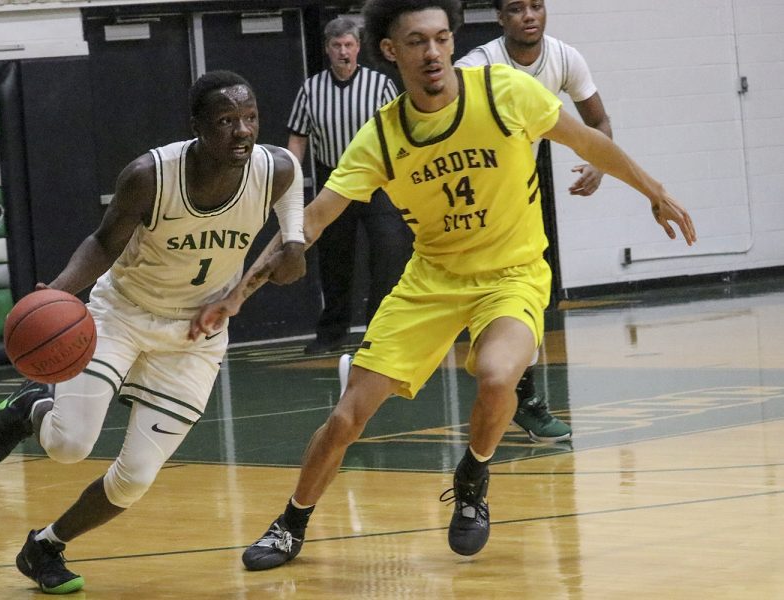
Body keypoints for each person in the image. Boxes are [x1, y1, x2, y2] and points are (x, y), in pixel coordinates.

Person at [190, 0, 695, 571]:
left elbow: (588, 141)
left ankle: (474, 472)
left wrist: (654, 190)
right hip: (432, 279)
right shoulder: (382, 136)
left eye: (439, 39)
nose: (431, 52)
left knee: (499, 373)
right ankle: (291, 524)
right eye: (415, 42)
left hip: (512, 274)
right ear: (389, 52)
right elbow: (311, 218)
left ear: (452, 41)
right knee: (347, 416)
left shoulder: (504, 93)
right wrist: (238, 292)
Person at [0, 70, 306, 594]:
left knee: (133, 480)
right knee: (68, 445)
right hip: (122, 315)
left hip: (194, 337)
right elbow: (104, 244)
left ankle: (45, 546)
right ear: (196, 126)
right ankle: (31, 409)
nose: (242, 130)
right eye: (226, 121)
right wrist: (60, 290)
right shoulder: (150, 176)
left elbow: (292, 255)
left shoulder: (279, 170)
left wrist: (281, 263)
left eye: (250, 118)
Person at [454, 0, 613, 443]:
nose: (529, 15)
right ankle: (383, 368)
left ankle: (520, 395)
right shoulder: (478, 66)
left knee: (524, 289)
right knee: (469, 292)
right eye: (517, 8)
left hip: (521, 190)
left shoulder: (564, 57)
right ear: (500, 18)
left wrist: (599, 163)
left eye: (537, 5)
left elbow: (598, 120)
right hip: (472, 189)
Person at [289, 17, 414, 355]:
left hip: (378, 182)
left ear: (359, 47)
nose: (343, 51)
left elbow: (400, 132)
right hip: (335, 182)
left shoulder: (381, 85)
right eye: (336, 45)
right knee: (334, 262)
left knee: (389, 255)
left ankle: (380, 332)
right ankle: (331, 334)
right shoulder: (310, 89)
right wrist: (288, 179)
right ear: (327, 49)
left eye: (348, 44)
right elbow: (298, 139)